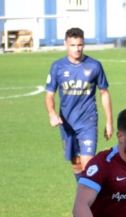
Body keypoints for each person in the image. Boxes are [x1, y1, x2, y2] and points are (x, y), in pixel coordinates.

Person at [45, 27, 114, 181]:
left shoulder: (94, 66)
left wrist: (109, 123)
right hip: (67, 123)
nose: (77, 49)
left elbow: (104, 93)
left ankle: (94, 201)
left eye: (80, 45)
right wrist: (52, 113)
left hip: (87, 121)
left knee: (88, 165)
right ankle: (84, 198)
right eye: (73, 45)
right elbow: (49, 95)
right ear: (65, 44)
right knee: (76, 164)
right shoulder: (57, 67)